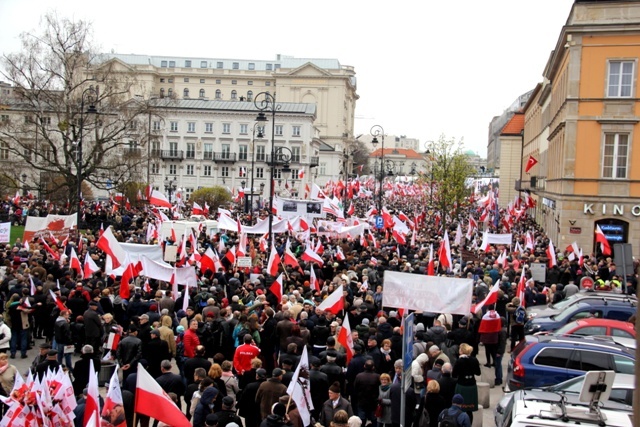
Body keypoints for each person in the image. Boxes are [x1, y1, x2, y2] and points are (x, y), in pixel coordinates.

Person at [451, 344, 480, 424]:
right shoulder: (474, 360)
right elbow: (478, 373)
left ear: (462, 350)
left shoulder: (459, 361)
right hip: (471, 385)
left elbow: (454, 375)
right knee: (469, 410)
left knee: (460, 408)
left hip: (462, 384)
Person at [354, 359, 380, 427]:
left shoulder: (359, 376)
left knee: (362, 420)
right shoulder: (377, 377)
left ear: (364, 366)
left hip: (361, 402)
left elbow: (355, 388)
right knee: (374, 421)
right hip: (373, 402)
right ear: (373, 367)